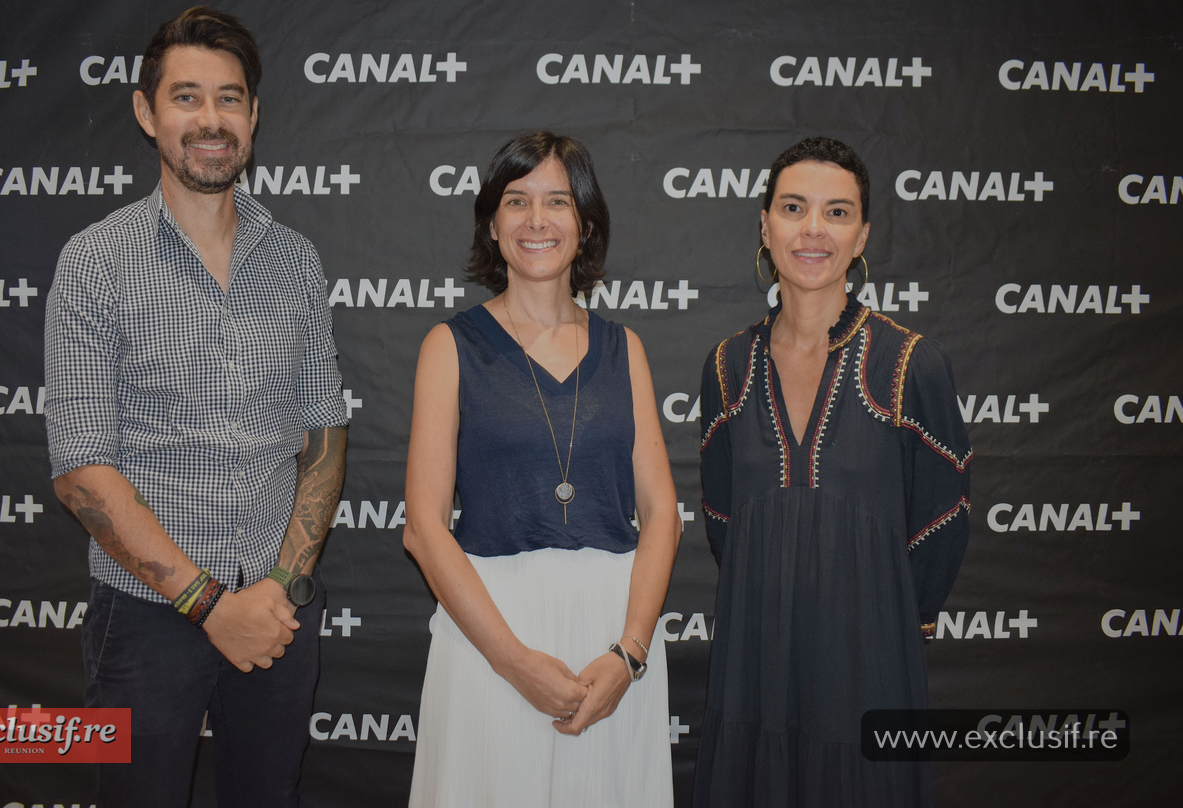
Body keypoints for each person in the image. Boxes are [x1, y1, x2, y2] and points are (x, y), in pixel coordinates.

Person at [43, 7, 347, 807]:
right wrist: (210, 605)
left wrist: (282, 585)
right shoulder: (95, 262)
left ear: (253, 116)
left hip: (280, 607)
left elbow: (322, 429)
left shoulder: (296, 259)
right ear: (147, 113)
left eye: (230, 98)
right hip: (146, 620)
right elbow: (81, 471)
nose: (210, 119)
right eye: (187, 97)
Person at [403, 131, 681, 807]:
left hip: (611, 642)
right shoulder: (450, 345)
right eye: (516, 201)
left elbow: (663, 513)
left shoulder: (625, 348)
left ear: (584, 228)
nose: (536, 220)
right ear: (492, 226)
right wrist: (512, 660)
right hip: (488, 634)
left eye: (557, 202)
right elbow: (424, 528)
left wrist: (630, 656)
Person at [694, 137, 971, 807]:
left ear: (862, 233)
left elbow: (943, 519)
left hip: (868, 663)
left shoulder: (909, 363)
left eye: (837, 212)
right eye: (794, 207)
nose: (813, 229)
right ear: (765, 223)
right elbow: (724, 520)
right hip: (753, 657)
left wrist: (891, 629)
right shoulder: (727, 365)